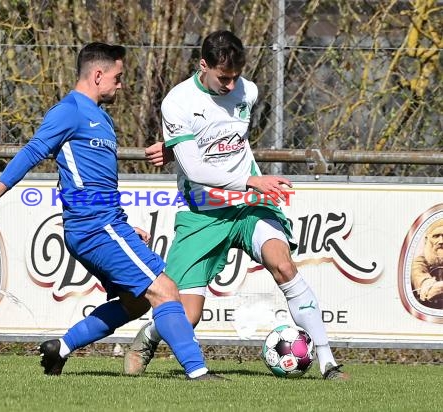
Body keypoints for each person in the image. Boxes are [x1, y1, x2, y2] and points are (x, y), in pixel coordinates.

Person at [0, 42, 220, 380]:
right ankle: (198, 373)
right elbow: (32, 151)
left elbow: (95, 183)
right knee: (165, 290)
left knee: (137, 303)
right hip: (94, 227)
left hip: (105, 224)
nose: (121, 84)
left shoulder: (101, 117)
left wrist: (125, 225)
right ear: (98, 75)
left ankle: (61, 348)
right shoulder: (68, 111)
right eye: (118, 76)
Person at [123, 30, 348, 380]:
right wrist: (183, 151)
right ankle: (149, 337)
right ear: (203, 65)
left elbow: (226, 138)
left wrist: (245, 183)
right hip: (203, 212)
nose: (231, 86)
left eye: (235, 77)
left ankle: (328, 362)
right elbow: (196, 169)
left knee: (284, 266)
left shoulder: (248, 90)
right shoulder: (178, 102)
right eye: (223, 78)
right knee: (188, 315)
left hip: (249, 205)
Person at [411, 219, 443, 308]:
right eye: (436, 236)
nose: (441, 241)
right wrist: (428, 285)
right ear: (426, 240)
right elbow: (430, 291)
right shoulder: (418, 263)